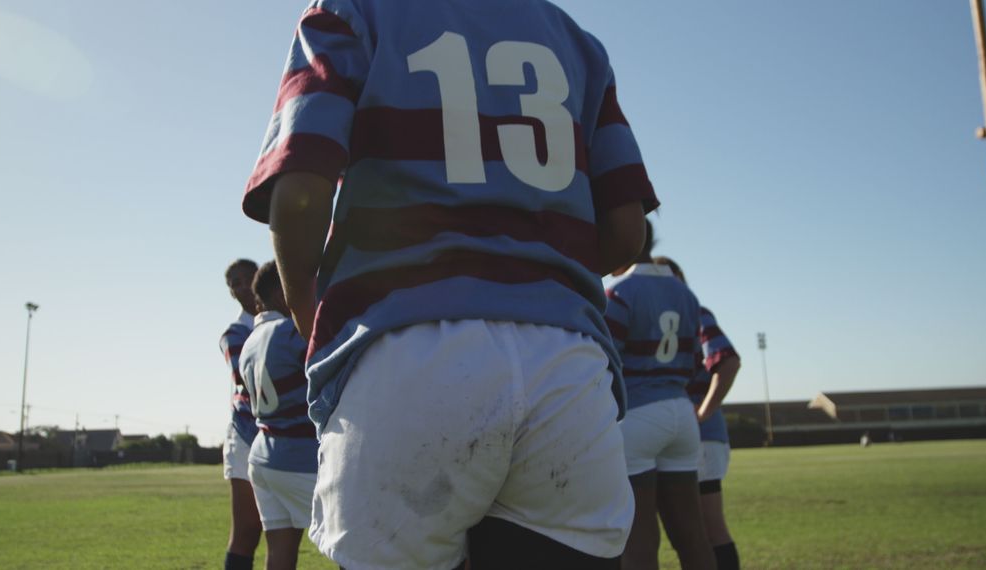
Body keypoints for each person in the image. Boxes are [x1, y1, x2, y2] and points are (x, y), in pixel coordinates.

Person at [240, 1, 659, 567]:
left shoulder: (353, 9)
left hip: (406, 347)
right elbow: (627, 232)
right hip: (567, 364)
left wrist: (302, 302)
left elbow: (299, 188)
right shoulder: (575, 40)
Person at [604, 222, 715, 570]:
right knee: (692, 535)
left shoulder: (621, 292)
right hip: (681, 414)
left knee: (639, 538)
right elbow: (697, 360)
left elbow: (605, 362)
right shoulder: (685, 293)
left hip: (637, 415)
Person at [654, 256, 742, 570]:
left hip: (698, 435)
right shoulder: (657, 315)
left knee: (707, 530)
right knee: (690, 533)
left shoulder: (693, 313)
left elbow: (727, 360)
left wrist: (704, 411)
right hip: (679, 434)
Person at [239, 261, 317, 570]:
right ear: (282, 292)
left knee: (279, 554)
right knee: (359, 544)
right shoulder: (290, 332)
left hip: (263, 457)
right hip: (301, 457)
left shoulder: (250, 341)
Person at [219, 258, 263, 570]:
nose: (243, 285)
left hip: (286, 434)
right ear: (231, 293)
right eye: (235, 282)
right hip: (247, 435)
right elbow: (248, 383)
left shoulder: (287, 320)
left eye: (249, 277)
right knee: (248, 530)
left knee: (286, 532)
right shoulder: (234, 333)